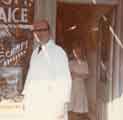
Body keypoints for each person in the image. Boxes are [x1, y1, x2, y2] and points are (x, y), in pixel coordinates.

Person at [22, 20, 72, 120]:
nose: (38, 33)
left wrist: (61, 106)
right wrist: (25, 98)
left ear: (49, 32)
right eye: (36, 31)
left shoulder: (58, 52)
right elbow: (30, 76)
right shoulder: (35, 52)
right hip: (34, 102)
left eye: (42, 30)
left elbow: (65, 80)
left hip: (51, 105)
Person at [68, 41, 89, 120]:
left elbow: (86, 75)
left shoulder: (84, 63)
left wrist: (76, 74)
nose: (76, 53)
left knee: (79, 108)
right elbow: (68, 74)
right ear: (73, 52)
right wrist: (76, 75)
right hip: (72, 87)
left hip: (80, 87)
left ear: (80, 52)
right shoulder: (70, 63)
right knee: (70, 108)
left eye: (78, 51)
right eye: (75, 51)